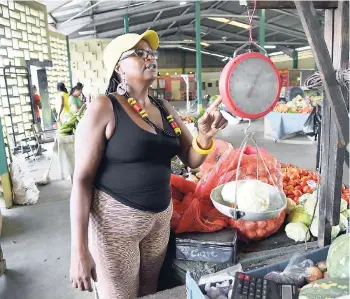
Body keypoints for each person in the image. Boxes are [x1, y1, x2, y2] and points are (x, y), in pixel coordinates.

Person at [69, 30, 228, 299]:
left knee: (149, 293)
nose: (150, 58)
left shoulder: (163, 106)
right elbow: (82, 180)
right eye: (139, 54)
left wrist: (204, 136)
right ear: (118, 66)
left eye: (151, 53)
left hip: (158, 221)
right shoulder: (104, 107)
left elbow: (190, 157)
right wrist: (79, 250)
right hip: (115, 227)